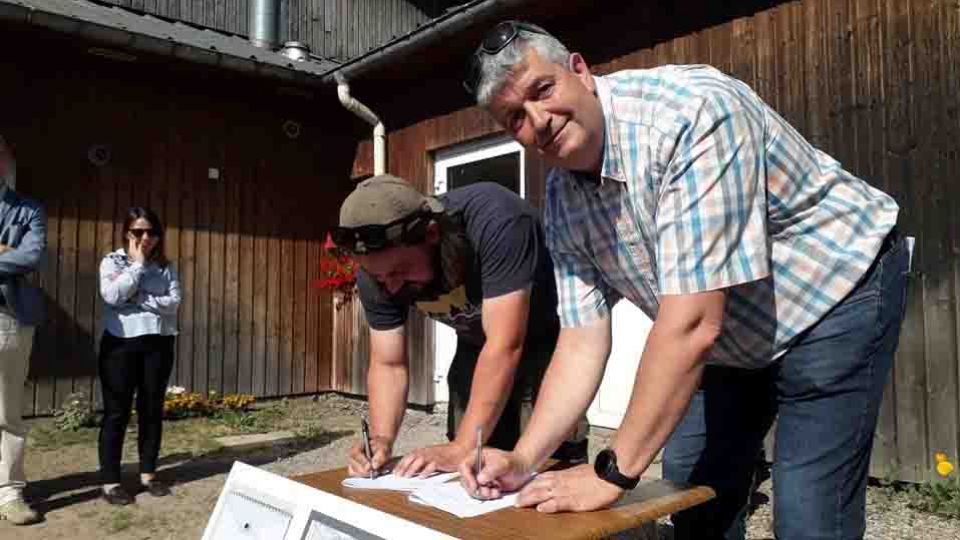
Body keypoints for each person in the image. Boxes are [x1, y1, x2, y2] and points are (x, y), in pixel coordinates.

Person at [459, 21, 907, 540]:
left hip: (831, 294)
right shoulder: (561, 199)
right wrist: (524, 459)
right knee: (690, 493)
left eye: (543, 89)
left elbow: (693, 325)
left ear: (579, 70)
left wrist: (611, 473)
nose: (539, 120)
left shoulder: (690, 113)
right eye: (516, 117)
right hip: (730, 333)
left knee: (808, 512)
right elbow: (581, 340)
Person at [335, 174, 587, 479]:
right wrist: (381, 439)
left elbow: (504, 344)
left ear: (431, 234)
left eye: (400, 271)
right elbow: (389, 363)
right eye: (379, 277)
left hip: (547, 339)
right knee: (470, 469)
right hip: (475, 345)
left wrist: (463, 446)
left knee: (544, 461)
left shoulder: (498, 221)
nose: (391, 286)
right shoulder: (377, 272)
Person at [98, 207, 181, 505]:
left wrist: (137, 297)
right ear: (127, 233)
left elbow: (174, 303)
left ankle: (148, 474)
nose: (145, 237)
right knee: (116, 412)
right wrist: (137, 265)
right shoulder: (112, 261)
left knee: (151, 410)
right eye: (138, 231)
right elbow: (111, 295)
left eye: (151, 232)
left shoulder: (167, 266)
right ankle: (110, 481)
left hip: (158, 344)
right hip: (120, 345)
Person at [0, 135, 46, 525]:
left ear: (6, 161)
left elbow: (30, 255)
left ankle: (9, 492)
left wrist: (10, 254)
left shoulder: (29, 210)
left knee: (7, 410)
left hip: (8, 318)